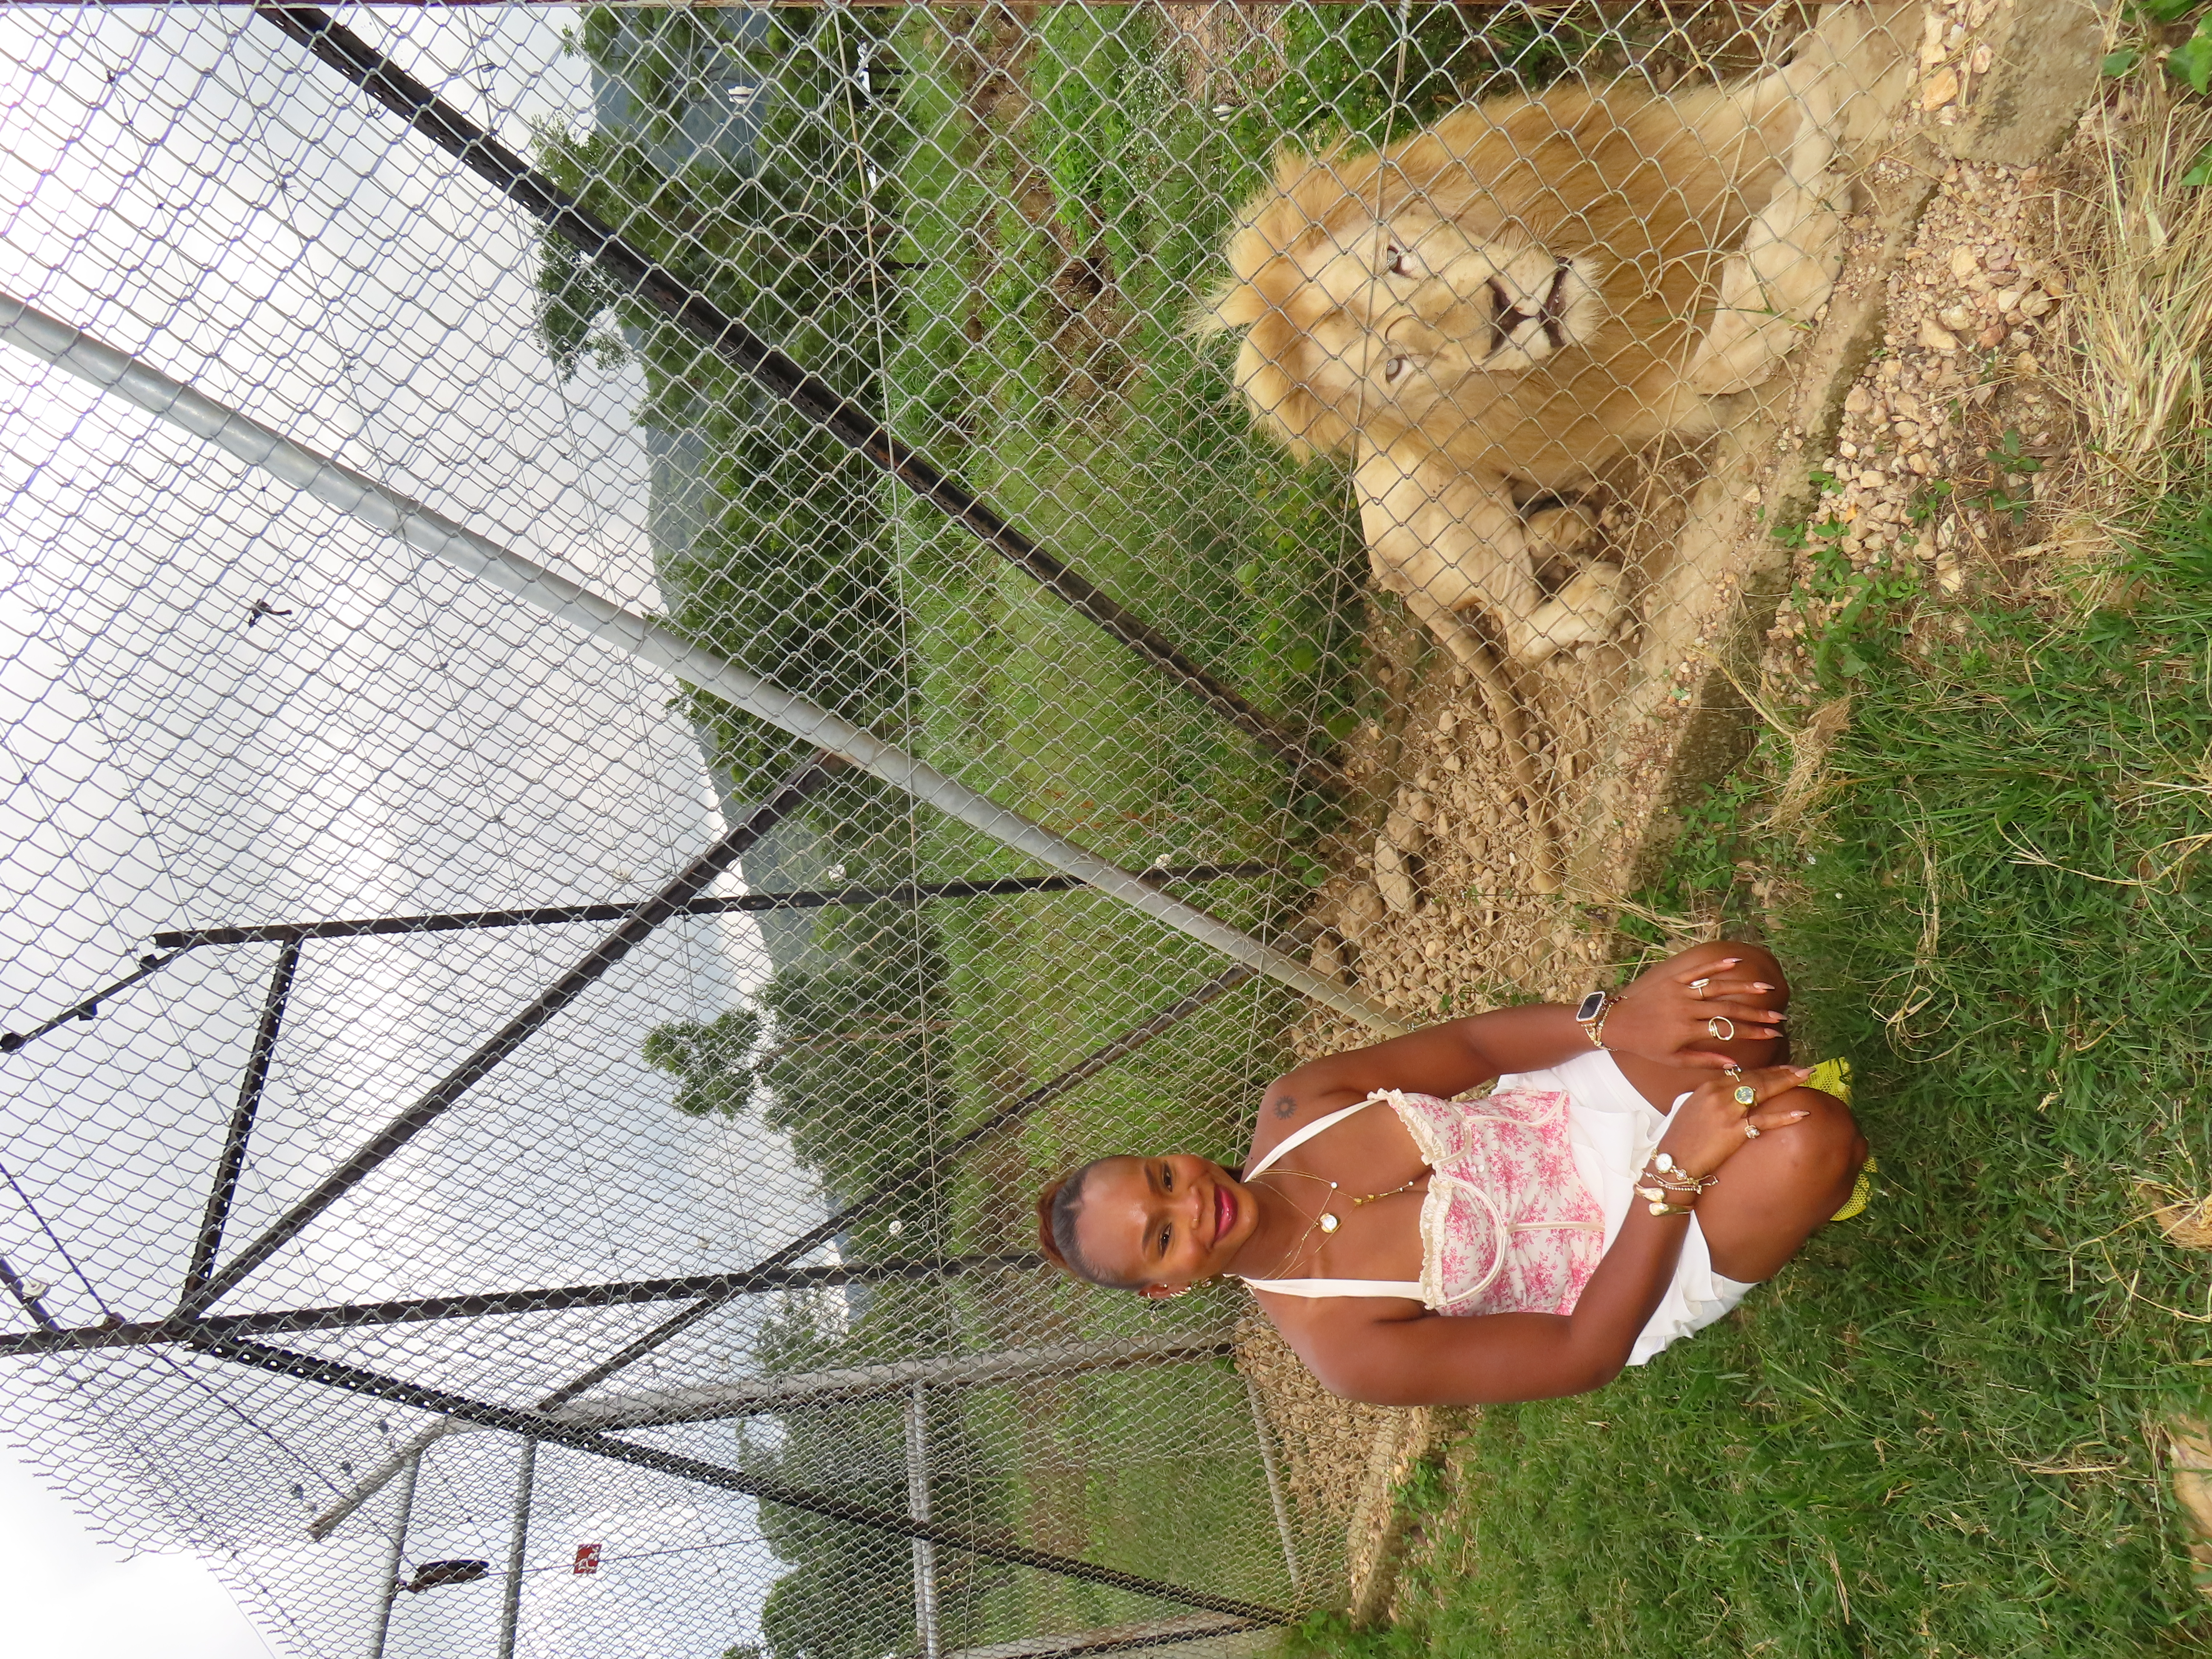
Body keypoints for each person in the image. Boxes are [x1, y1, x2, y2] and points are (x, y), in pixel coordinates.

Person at [1033, 940, 1867, 1405]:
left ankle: (1746, 1128)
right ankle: (1776, 1171)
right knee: (1811, 1142)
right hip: (1627, 1265)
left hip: (1570, 1116)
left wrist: (1619, 1024)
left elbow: (1472, 1050)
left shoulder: (1298, 1105)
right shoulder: (1345, 1349)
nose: (1193, 1202)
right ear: (1167, 1289)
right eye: (1164, 1236)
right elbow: (1585, 1352)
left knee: (1738, 981)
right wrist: (1675, 1175)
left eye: (1163, 1179)